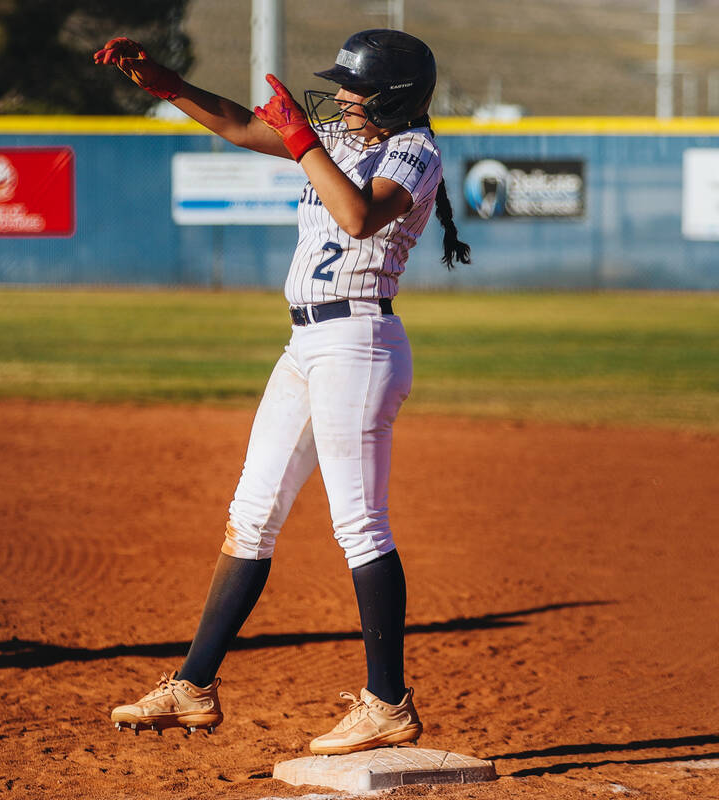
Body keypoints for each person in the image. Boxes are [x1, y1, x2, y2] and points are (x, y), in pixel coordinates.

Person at [94, 28, 470, 756]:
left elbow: (358, 216)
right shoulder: (345, 135)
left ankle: (388, 702)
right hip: (306, 345)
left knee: (360, 524)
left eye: (356, 90)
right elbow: (239, 123)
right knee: (252, 511)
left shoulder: (414, 152)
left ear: (393, 98)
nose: (342, 99)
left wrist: (306, 144)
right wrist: (166, 84)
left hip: (358, 345)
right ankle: (193, 687)